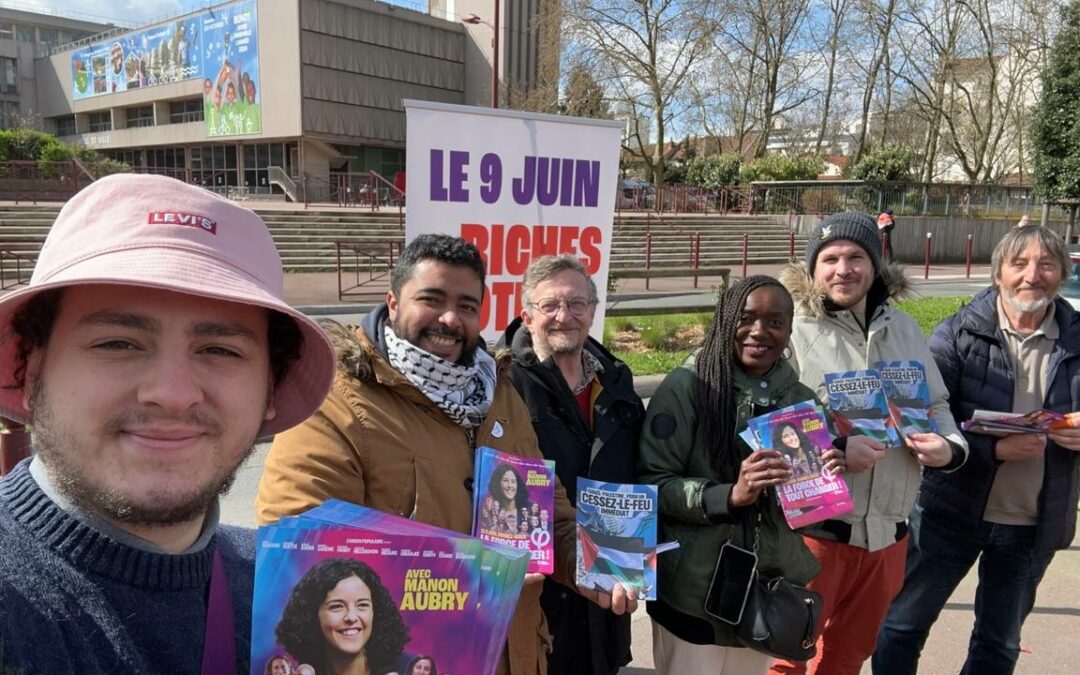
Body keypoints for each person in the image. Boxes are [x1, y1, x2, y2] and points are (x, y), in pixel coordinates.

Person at [256, 234, 635, 675]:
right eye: (432, 299)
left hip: (515, 654)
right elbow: (302, 556)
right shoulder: (336, 400)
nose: (450, 319)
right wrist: (469, 579)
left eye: (467, 306)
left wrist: (602, 566)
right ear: (393, 302)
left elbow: (549, 518)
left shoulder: (499, 394)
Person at [0, 173, 335, 672]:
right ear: (31, 369)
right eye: (117, 343)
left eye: (219, 350)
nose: (173, 395)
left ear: (270, 387)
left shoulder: (301, 595)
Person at [875, 225, 1080, 674]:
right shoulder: (956, 335)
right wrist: (994, 452)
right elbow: (921, 422)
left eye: (1046, 264)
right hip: (949, 513)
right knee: (902, 626)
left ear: (1063, 272)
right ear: (998, 274)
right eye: (1019, 264)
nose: (1033, 275)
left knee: (999, 643)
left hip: (1033, 524)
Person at [770, 212, 967, 675]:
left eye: (856, 256)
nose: (844, 269)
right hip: (814, 536)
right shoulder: (789, 330)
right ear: (813, 269)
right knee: (785, 659)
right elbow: (769, 420)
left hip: (887, 538)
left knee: (848, 658)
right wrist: (836, 447)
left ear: (875, 265)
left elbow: (936, 402)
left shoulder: (902, 329)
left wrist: (950, 447)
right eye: (831, 258)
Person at [637, 276, 833, 674]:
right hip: (692, 597)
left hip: (762, 597)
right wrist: (728, 496)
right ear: (725, 320)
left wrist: (823, 483)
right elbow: (651, 484)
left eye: (775, 322)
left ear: (789, 329)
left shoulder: (800, 401)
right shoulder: (688, 386)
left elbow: (813, 514)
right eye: (746, 318)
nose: (760, 332)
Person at [500, 254, 646, 675]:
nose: (564, 316)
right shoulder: (503, 386)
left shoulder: (617, 381)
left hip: (609, 593)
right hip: (539, 600)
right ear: (527, 316)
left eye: (576, 304)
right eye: (550, 306)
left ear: (592, 312)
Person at [276, 558, 409, 675]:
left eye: (362, 605)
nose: (351, 617)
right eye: (336, 606)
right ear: (312, 615)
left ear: (376, 612)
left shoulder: (409, 669)